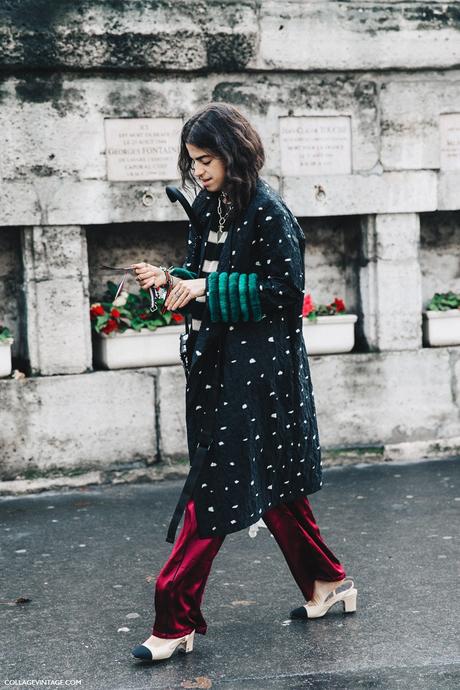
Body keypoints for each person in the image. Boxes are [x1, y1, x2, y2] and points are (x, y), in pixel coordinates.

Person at [130, 103, 357, 662]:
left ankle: (174, 617)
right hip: (220, 366)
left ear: (234, 153)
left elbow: (284, 293)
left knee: (213, 489)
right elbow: (207, 278)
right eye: (193, 162)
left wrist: (205, 290)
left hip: (261, 374)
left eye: (206, 160)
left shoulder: (270, 211)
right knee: (274, 483)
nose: (199, 172)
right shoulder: (210, 205)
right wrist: (171, 280)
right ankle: (328, 581)